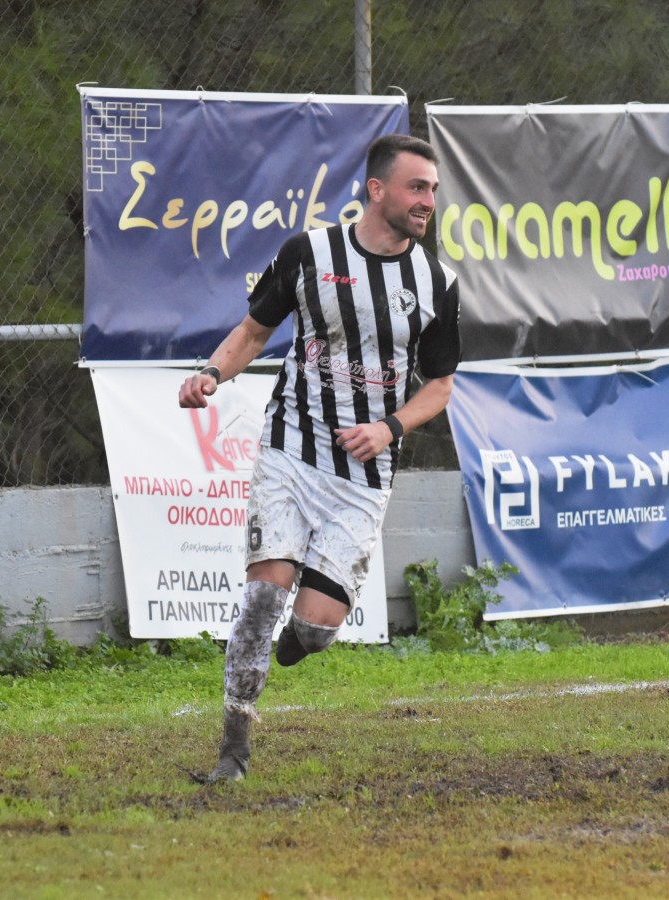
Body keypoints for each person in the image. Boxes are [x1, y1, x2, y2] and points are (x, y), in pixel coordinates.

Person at [178, 133, 461, 782]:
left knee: (316, 629)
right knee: (262, 597)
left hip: (363, 476)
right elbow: (253, 332)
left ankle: (298, 638)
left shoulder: (436, 282)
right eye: (417, 187)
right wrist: (211, 375)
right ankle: (233, 749)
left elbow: (441, 385)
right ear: (378, 190)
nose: (428, 200)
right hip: (290, 448)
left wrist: (390, 426)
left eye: (433, 190)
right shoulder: (308, 254)